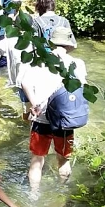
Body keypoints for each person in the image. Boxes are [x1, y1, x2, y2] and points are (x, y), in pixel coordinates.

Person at [18, 26, 87, 188]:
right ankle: (62, 192)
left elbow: (24, 83)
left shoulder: (38, 62)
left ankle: (34, 196)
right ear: (69, 45)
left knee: (37, 160)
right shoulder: (78, 64)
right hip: (65, 119)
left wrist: (34, 104)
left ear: (51, 43)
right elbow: (81, 88)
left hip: (41, 117)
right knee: (63, 159)